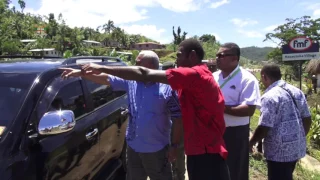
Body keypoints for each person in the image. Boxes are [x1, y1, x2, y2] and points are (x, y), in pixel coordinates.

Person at [76, 38, 230, 180]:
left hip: (206, 152)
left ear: (192, 56)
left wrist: (100, 66)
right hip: (195, 149)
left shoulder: (195, 75)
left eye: (179, 54)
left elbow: (145, 74)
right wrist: (81, 73)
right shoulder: (189, 79)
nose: (176, 59)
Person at [60, 50, 183, 180]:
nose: (133, 67)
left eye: (138, 63)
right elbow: (106, 78)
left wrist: (174, 146)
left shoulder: (167, 87)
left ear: (150, 66)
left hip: (156, 149)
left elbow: (178, 118)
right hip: (133, 147)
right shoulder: (131, 81)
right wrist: (80, 73)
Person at [249, 64, 312, 180]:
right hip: (296, 148)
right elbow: (307, 119)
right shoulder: (297, 91)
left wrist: (251, 142)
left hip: (278, 152)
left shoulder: (270, 97)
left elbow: (264, 127)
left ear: (264, 76)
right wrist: (300, 137)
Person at [213, 42, 261, 180]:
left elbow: (249, 109)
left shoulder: (247, 79)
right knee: (216, 169)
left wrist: (220, 106)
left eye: (221, 55)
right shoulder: (213, 77)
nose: (217, 58)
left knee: (235, 170)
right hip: (214, 131)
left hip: (235, 133)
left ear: (235, 58)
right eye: (217, 55)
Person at [162, 62, 186, 180]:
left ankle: (179, 176)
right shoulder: (161, 85)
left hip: (178, 124)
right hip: (165, 126)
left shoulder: (178, 86)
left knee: (178, 152)